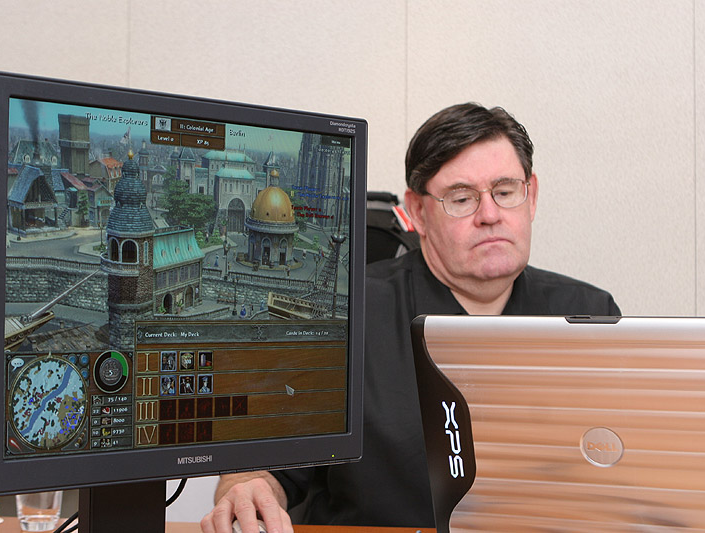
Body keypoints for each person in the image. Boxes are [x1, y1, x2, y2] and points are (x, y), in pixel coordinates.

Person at [200, 103, 620, 533]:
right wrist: (246, 488)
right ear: (418, 212)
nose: (490, 214)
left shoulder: (592, 317)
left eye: (506, 191)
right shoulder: (345, 314)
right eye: (462, 199)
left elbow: (626, 474)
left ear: (531, 195)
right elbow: (261, 470)